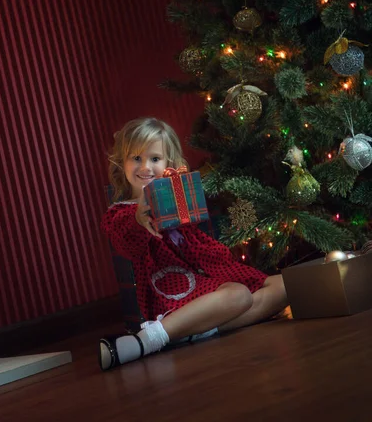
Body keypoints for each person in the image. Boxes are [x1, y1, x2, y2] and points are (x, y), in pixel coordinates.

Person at [99, 117, 288, 371]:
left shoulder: (177, 206)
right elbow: (127, 242)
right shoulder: (121, 213)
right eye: (135, 158)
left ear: (169, 165)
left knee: (283, 285)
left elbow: (203, 251)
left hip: (204, 283)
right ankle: (154, 337)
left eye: (155, 159)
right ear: (122, 164)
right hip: (171, 295)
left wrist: (245, 275)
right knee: (239, 295)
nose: (145, 167)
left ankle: (193, 331)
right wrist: (138, 217)